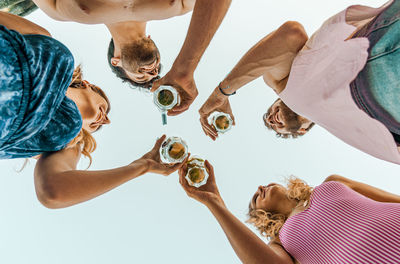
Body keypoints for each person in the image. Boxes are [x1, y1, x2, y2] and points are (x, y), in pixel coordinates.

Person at [1, 12, 185, 209]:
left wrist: (142, 165)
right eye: (105, 107)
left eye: (94, 128)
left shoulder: (64, 145)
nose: (105, 121)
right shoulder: (49, 45)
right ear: (87, 85)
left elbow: (52, 192)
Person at [199, 0, 400, 164]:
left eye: (268, 113)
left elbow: (290, 34)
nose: (271, 119)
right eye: (277, 128)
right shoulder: (346, 130)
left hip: (381, 51)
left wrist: (222, 92)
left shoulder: (285, 85)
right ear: (302, 130)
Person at [32, 0, 232, 115]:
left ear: (116, 61)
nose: (153, 72)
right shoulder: (176, 6)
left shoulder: (65, 13)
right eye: (157, 70)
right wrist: (184, 69)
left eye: (140, 77)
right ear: (153, 43)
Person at [179, 161, 400, 263]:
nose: (259, 189)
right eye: (256, 199)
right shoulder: (280, 242)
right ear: (261, 217)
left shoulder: (333, 182)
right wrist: (215, 203)